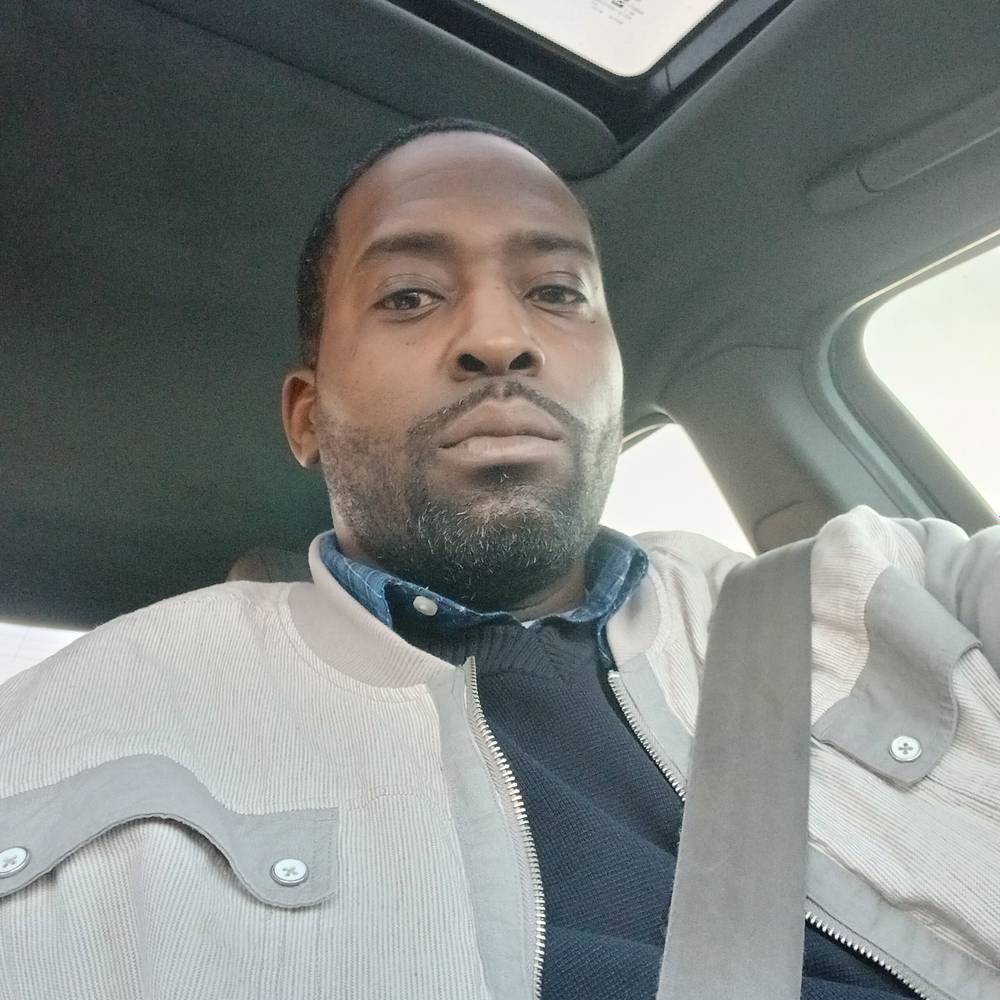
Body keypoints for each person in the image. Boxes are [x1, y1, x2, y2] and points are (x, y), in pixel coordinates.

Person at [1, 119, 998, 1000]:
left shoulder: (877, 583)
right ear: (307, 417)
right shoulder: (85, 712)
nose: (497, 337)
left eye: (557, 292)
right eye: (409, 296)